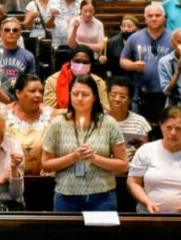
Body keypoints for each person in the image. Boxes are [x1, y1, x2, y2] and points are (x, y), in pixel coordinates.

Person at [41, 75, 128, 211]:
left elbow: (123, 166)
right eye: (75, 94)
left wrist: (94, 158)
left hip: (103, 197)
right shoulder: (57, 123)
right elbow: (46, 165)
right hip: (66, 196)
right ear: (70, 95)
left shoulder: (109, 123)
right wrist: (73, 157)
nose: (79, 98)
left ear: (94, 97)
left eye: (85, 94)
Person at [120, 3, 173, 105]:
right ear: (145, 19)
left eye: (157, 15)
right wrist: (133, 65)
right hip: (140, 93)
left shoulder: (173, 38)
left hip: (167, 93)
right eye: (150, 16)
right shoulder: (134, 38)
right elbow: (122, 61)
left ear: (164, 18)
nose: (154, 19)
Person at [5, 74, 53, 175]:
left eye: (41, 91)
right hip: (8, 178)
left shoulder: (51, 115)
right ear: (18, 93)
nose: (38, 95)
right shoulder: (2, 115)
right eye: (32, 91)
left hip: (44, 180)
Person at [44, 45, 110, 111]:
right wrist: (80, 112)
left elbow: (105, 109)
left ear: (90, 64)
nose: (81, 65)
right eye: (77, 61)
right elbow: (49, 111)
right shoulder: (52, 81)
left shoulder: (99, 82)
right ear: (70, 61)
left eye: (85, 62)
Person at [106, 75, 151, 161]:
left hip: (130, 171)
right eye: (113, 95)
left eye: (122, 96)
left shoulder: (140, 122)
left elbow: (144, 156)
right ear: (108, 97)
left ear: (130, 100)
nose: (117, 99)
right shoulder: (98, 120)